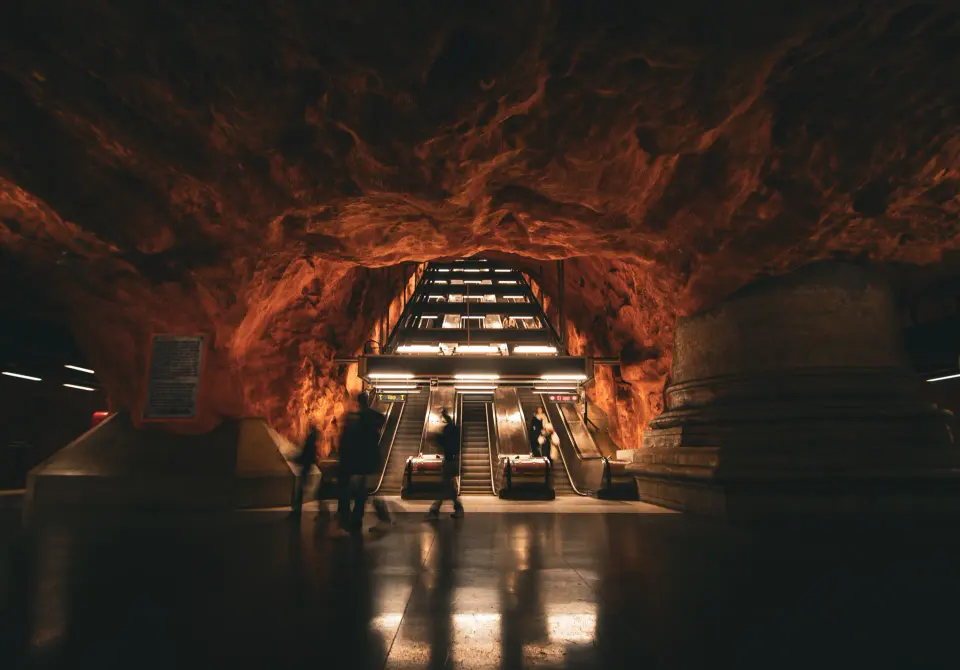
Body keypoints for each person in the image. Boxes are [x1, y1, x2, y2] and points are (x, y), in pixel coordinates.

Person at [333, 392, 391, 537]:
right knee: (363, 492)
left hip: (356, 462)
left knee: (354, 492)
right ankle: (360, 520)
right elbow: (380, 422)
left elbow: (347, 443)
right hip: (366, 462)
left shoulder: (357, 420)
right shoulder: (368, 419)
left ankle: (349, 522)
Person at [426, 409, 464, 520]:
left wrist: (435, 437)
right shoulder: (456, 430)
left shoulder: (450, 430)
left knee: (444, 487)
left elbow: (445, 442)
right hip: (452, 460)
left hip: (450, 461)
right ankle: (457, 509)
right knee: (448, 487)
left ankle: (434, 511)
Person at [290, 423, 318, 519]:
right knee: (299, 490)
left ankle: (296, 512)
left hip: (305, 468)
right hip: (307, 467)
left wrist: (294, 458)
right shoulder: (313, 442)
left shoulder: (310, 442)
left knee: (299, 490)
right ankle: (296, 511)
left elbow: (305, 455)